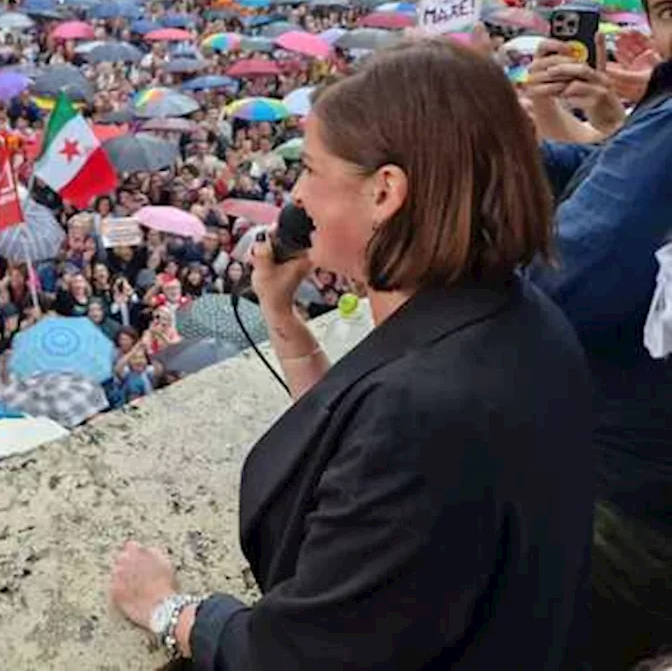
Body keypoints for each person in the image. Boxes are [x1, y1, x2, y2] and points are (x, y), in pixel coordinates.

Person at [110, 41, 593, 668]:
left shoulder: (422, 417)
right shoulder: (521, 319)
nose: (298, 197)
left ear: (386, 192)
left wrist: (167, 608)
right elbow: (353, 440)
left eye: (311, 169)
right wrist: (282, 320)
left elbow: (296, 654)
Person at [523, 0, 672, 668]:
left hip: (632, 513)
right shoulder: (657, 116)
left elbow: (552, 290)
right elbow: (604, 172)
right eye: (666, 11)